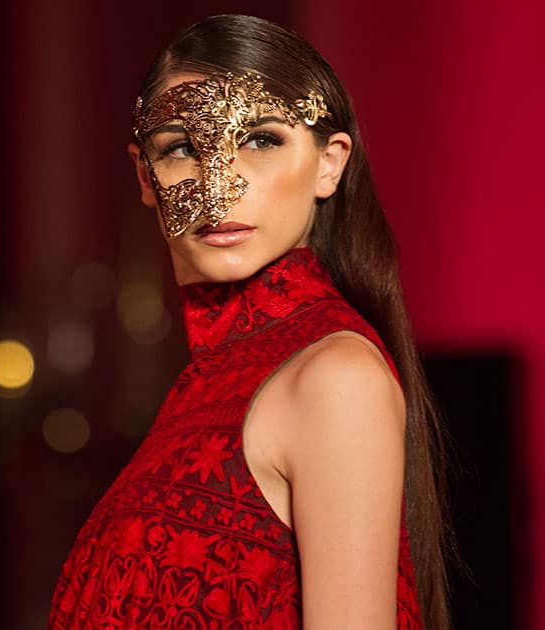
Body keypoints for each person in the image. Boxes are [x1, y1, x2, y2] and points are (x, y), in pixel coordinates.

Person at [48, 14, 452, 630]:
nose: (219, 185)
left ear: (330, 163)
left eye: (260, 139)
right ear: (144, 177)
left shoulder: (334, 376)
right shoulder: (206, 389)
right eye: (182, 147)